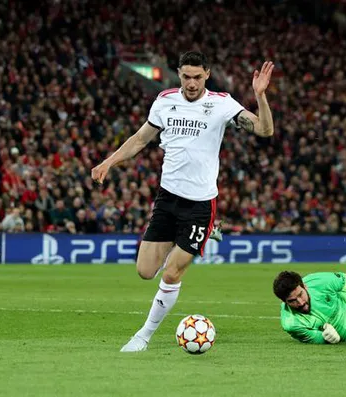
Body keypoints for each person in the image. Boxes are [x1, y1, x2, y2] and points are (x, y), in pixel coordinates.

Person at [91, 51, 275, 352]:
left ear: (207, 74)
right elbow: (139, 139)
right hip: (167, 200)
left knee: (171, 272)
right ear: (179, 74)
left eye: (197, 77)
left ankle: (143, 336)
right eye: (186, 77)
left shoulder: (221, 103)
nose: (191, 83)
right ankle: (198, 238)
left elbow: (265, 130)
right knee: (145, 271)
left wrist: (260, 96)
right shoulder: (164, 101)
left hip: (200, 204)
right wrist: (108, 163)